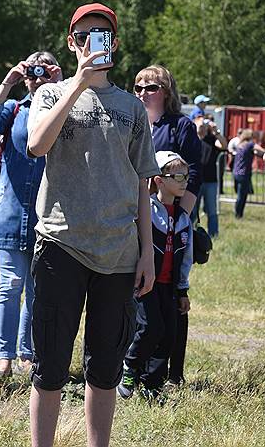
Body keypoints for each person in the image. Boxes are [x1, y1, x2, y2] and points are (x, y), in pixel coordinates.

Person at [26, 3, 159, 447]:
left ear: (114, 45)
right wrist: (79, 80)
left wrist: (148, 253)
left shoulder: (131, 108)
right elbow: (37, 143)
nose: (91, 42)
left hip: (119, 255)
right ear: (71, 42)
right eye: (83, 35)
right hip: (60, 244)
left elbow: (143, 184)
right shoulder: (49, 93)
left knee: (104, 370)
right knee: (50, 368)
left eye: (100, 34)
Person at [0, 50, 62, 379]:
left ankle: (27, 353)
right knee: (10, 286)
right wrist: (9, 81)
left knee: (37, 289)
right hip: (10, 211)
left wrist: (61, 86)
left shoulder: (63, 107)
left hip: (48, 213)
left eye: (44, 72)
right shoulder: (14, 110)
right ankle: (5, 358)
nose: (37, 78)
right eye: (32, 72)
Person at [132, 64, 201, 387]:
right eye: (139, 87)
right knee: (141, 296)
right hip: (133, 218)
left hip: (171, 220)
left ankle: (173, 372)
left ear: (167, 92)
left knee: (172, 293)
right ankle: (136, 365)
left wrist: (177, 218)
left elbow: (194, 175)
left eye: (152, 87)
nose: (144, 93)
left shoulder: (180, 126)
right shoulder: (132, 122)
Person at [118, 151, 193, 400]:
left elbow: (186, 259)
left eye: (186, 175)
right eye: (177, 176)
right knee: (150, 327)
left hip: (169, 286)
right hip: (145, 283)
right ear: (159, 179)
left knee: (169, 333)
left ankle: (153, 384)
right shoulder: (147, 210)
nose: (184, 181)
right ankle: (130, 367)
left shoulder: (183, 218)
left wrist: (183, 290)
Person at [191, 116, 227, 237]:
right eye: (201, 124)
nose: (203, 126)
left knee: (212, 210)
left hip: (211, 180)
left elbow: (224, 145)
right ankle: (191, 233)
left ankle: (213, 234)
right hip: (195, 180)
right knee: (192, 210)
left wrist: (216, 132)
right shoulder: (191, 138)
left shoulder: (212, 139)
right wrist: (197, 129)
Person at [231, 129, 265, 219]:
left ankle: (237, 212)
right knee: (242, 196)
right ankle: (239, 214)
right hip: (244, 173)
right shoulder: (250, 144)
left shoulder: (240, 145)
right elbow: (260, 150)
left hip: (236, 172)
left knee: (239, 195)